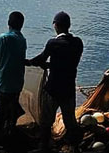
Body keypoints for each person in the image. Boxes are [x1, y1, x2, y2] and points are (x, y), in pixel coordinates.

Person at [27, 11, 84, 152]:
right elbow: (66, 63)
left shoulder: (53, 43)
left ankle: (44, 147)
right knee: (70, 120)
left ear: (56, 25)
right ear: (69, 25)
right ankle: (74, 147)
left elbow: (41, 58)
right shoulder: (78, 43)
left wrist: (28, 62)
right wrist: (50, 65)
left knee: (46, 121)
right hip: (69, 88)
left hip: (53, 88)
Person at [0, 11, 28, 149]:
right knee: (11, 113)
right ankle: (9, 137)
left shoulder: (4, 38)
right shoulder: (22, 40)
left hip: (5, 83)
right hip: (18, 83)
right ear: (21, 26)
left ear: (8, 23)